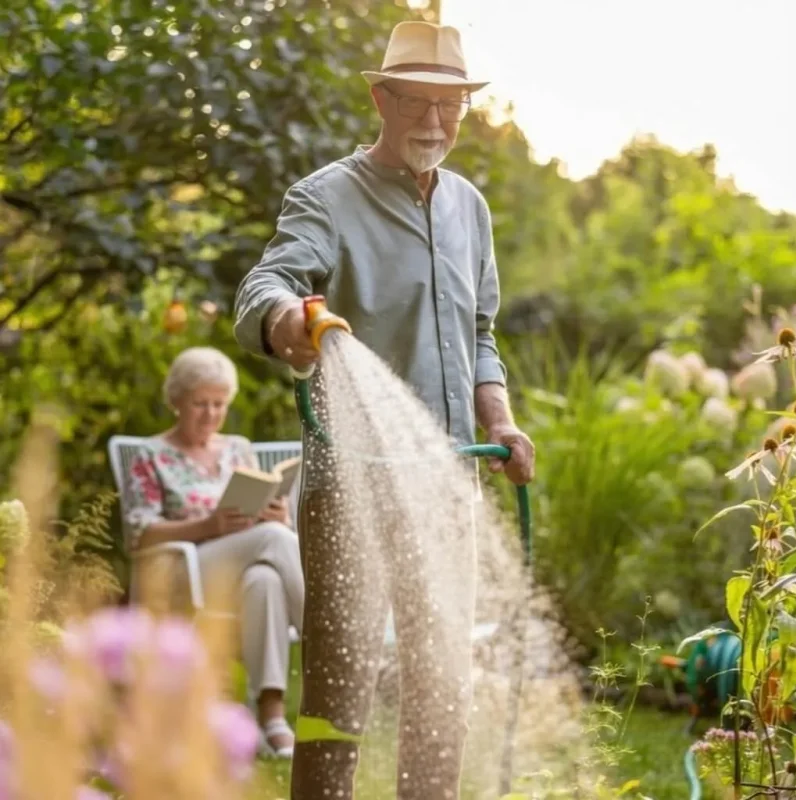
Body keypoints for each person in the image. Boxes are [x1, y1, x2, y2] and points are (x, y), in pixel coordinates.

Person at [233, 20, 535, 799]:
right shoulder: (327, 197)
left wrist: (499, 422)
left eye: (452, 107)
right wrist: (288, 324)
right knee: (340, 695)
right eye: (419, 105)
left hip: (448, 490)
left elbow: (479, 334)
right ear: (381, 97)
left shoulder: (470, 208)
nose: (436, 124)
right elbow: (264, 287)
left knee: (442, 690)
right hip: (354, 492)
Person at [124, 346, 304, 759]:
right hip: (182, 567)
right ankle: (325, 635)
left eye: (219, 405)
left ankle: (272, 719)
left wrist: (276, 514)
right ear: (176, 402)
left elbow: (262, 513)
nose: (210, 414)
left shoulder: (237, 448)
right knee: (274, 542)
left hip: (243, 562)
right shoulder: (150, 456)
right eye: (199, 404)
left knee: (266, 578)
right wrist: (208, 526)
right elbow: (140, 533)